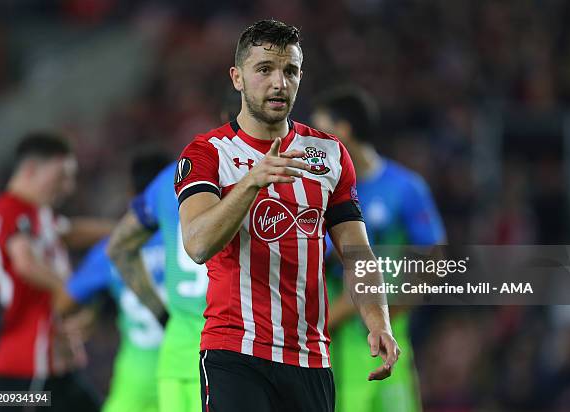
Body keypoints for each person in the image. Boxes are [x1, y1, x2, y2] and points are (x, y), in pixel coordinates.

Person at [174, 19, 400, 412]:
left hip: (310, 359)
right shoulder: (207, 153)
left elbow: (357, 253)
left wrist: (378, 321)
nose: (279, 83)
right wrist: (251, 182)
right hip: (235, 352)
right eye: (265, 69)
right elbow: (197, 244)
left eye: (290, 71)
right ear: (237, 78)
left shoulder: (328, 153)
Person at [312, 87, 446, 412]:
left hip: (390, 340)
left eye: (321, 130)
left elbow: (434, 258)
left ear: (342, 130)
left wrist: (395, 309)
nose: (313, 141)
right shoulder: (325, 192)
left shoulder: (405, 188)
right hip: (339, 348)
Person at [0, 132, 112, 411]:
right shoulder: (8, 209)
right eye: (61, 177)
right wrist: (75, 294)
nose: (67, 187)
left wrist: (124, 228)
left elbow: (70, 231)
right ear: (30, 170)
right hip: (26, 367)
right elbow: (25, 261)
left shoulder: (38, 214)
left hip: (54, 362)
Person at [54, 151, 171, 412]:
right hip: (188, 368)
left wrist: (95, 307)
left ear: (131, 194)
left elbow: (62, 303)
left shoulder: (110, 249)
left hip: (136, 377)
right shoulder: (190, 239)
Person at [106, 159, 208, 412]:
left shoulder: (165, 181)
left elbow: (117, 248)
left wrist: (163, 316)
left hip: (174, 360)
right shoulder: (250, 179)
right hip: (230, 360)